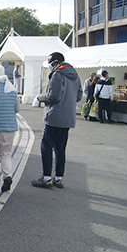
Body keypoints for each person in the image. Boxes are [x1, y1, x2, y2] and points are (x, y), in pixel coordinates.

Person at [32, 52, 82, 189]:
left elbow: (53, 96)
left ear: (55, 62)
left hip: (55, 116)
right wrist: (68, 100)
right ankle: (59, 178)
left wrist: (40, 98)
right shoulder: (74, 74)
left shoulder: (57, 74)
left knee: (46, 146)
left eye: (50, 62)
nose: (49, 64)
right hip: (68, 117)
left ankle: (46, 178)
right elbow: (78, 96)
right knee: (60, 148)